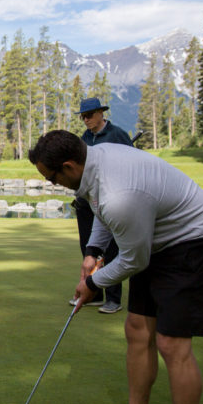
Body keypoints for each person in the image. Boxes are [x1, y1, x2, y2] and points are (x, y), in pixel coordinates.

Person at [29, 130, 203, 404]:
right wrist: (93, 251)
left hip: (195, 241)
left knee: (172, 344)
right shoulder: (95, 163)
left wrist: (92, 283)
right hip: (158, 240)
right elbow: (101, 211)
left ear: (70, 165)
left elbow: (133, 260)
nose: (53, 184)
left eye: (52, 177)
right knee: (137, 329)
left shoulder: (119, 193)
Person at [71, 97, 134, 314]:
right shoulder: (85, 138)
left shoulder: (117, 135)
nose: (86, 120)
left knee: (111, 249)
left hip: (111, 200)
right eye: (83, 116)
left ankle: (113, 299)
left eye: (89, 115)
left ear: (100, 113)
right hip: (87, 201)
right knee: (88, 247)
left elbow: (132, 166)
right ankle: (94, 292)